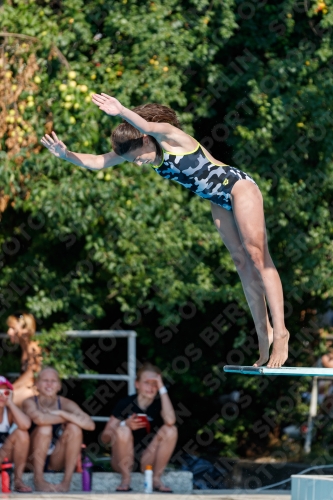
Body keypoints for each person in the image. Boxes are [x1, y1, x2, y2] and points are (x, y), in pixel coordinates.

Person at [40, 95, 290, 368]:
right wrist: (67, 155)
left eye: (137, 158)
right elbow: (98, 161)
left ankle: (282, 333)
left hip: (238, 188)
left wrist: (121, 110)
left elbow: (148, 126)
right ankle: (263, 335)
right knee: (242, 264)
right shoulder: (140, 150)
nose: (136, 164)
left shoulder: (172, 137)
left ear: (146, 141)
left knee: (256, 256)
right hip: (218, 202)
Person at [101, 362, 177, 492]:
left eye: (155, 384)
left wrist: (162, 388)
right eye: (147, 383)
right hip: (122, 460)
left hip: (147, 460)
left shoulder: (161, 404)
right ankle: (125, 479)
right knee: (123, 429)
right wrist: (125, 424)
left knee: (171, 430)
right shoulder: (125, 403)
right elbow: (105, 438)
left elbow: (170, 420)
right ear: (137, 384)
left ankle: (156, 479)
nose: (151, 387)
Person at [22, 366, 95, 492]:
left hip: (55, 459)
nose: (49, 384)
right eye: (45, 380)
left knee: (74, 429)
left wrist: (62, 413)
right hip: (32, 458)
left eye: (53, 381)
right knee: (45, 428)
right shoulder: (29, 402)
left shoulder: (65, 403)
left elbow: (90, 425)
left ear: (59, 386)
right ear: (37, 384)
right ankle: (38, 480)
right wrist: (68, 418)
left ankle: (66, 483)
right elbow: (40, 420)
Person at [0, 375, 32, 492]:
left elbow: (26, 425)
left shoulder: (9, 413)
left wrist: (10, 404)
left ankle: (18, 481)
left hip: (3, 458)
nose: (2, 395)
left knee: (21, 434)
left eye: (6, 392)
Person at [6, 312, 42, 407]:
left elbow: (30, 378)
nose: (9, 332)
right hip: (28, 389)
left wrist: (9, 389)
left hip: (35, 392)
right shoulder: (25, 348)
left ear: (25, 330)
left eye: (13, 328)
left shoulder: (34, 348)